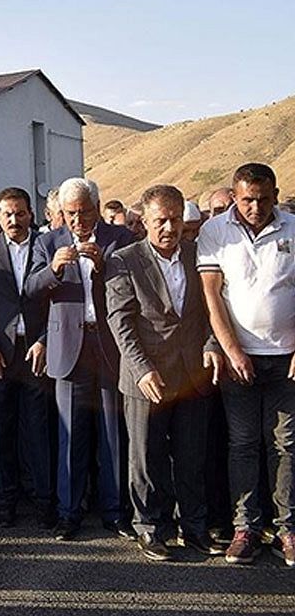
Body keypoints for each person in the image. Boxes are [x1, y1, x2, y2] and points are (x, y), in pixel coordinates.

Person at [106, 184, 219, 561]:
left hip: (191, 374)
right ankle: (150, 528)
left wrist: (210, 347)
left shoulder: (197, 254)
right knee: (146, 457)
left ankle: (194, 527)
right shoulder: (124, 260)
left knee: (191, 456)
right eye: (160, 221)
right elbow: (120, 322)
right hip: (147, 377)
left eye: (175, 220)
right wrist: (141, 370)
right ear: (144, 221)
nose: (169, 228)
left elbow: (210, 313)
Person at [25, 177, 136, 541]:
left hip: (107, 345)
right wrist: (53, 270)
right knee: (70, 435)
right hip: (68, 346)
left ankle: (115, 512)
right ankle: (68, 513)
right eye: (70, 213)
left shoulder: (118, 239)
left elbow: (130, 288)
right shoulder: (48, 241)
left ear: (97, 207)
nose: (77, 220)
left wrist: (103, 265)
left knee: (111, 436)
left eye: (84, 212)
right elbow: (30, 291)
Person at [197, 163, 295, 567]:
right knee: (243, 444)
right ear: (235, 197)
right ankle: (246, 528)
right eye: (247, 199)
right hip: (240, 358)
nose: (255, 207)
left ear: (274, 195)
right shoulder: (214, 231)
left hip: (286, 360)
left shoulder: (293, 227)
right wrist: (232, 349)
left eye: (263, 199)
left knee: (286, 446)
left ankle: (287, 528)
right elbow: (212, 296)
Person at [0, 187, 54, 529]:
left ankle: (44, 501)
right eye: (8, 214)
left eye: (20, 213)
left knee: (38, 429)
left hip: (36, 351)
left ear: (31, 214)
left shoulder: (46, 246)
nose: (14, 220)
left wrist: (47, 339)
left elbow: (56, 298)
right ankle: (6, 502)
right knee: (0, 429)